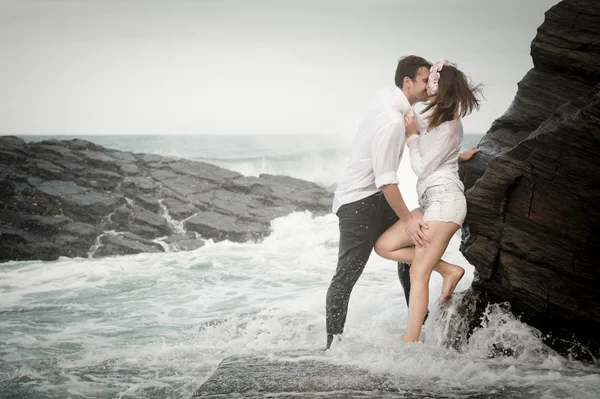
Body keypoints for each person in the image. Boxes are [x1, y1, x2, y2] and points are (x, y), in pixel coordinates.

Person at [325, 55, 433, 350]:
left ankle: (420, 327)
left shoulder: (389, 97)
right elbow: (387, 179)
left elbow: (419, 132)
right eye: (425, 80)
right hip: (359, 203)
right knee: (346, 275)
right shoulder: (392, 122)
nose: (429, 86)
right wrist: (409, 219)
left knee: (407, 250)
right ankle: (333, 347)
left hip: (373, 198)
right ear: (407, 82)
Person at [374, 60, 482, 342]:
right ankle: (448, 269)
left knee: (417, 274)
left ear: (441, 87)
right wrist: (458, 157)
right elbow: (438, 158)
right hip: (433, 201)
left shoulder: (447, 126)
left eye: (433, 80)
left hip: (445, 203)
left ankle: (408, 345)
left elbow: (423, 167)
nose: (428, 85)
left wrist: (411, 137)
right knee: (384, 245)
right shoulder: (440, 121)